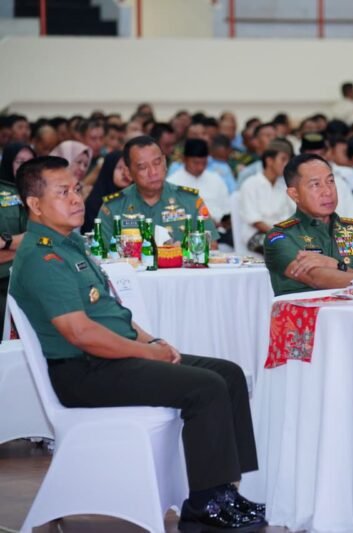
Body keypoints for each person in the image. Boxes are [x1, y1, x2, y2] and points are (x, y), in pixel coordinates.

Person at [10, 156, 266, 529]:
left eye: (77, 189)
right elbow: (81, 333)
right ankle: (204, 505)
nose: (77, 199)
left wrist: (154, 341)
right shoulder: (42, 256)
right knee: (206, 387)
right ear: (35, 204)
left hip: (113, 359)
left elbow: (113, 312)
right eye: (63, 192)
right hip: (84, 371)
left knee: (228, 374)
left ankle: (225, 492)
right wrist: (148, 353)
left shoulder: (71, 244)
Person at [264, 153, 353, 296]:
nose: (327, 191)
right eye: (315, 184)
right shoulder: (281, 237)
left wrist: (334, 265)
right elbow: (317, 279)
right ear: (294, 194)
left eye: (330, 181)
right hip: (306, 310)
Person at [98, 136, 219, 246]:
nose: (153, 172)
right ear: (128, 172)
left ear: (165, 162)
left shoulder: (190, 201)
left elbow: (212, 246)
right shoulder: (113, 207)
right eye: (143, 167)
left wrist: (183, 251)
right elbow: (101, 256)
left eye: (157, 163)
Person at [237, 140, 296, 253]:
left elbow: (292, 215)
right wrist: (277, 234)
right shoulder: (251, 184)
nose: (286, 164)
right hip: (256, 235)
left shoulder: (283, 186)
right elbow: (255, 220)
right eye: (283, 159)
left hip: (282, 234)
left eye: (288, 160)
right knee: (283, 247)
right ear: (269, 161)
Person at [0, 143, 32, 327]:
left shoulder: (39, 194)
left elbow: (41, 237)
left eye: (30, 162)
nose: (25, 168)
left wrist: (6, 242)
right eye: (19, 162)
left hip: (29, 276)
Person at [166, 139, 231, 225]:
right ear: (184, 159)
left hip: (217, 228)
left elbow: (227, 211)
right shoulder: (172, 182)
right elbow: (168, 216)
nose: (200, 167)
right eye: (196, 163)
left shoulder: (216, 180)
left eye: (204, 163)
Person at [80, 151, 132, 234]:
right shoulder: (95, 202)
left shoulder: (135, 198)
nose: (124, 173)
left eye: (128, 168)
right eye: (119, 168)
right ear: (109, 169)